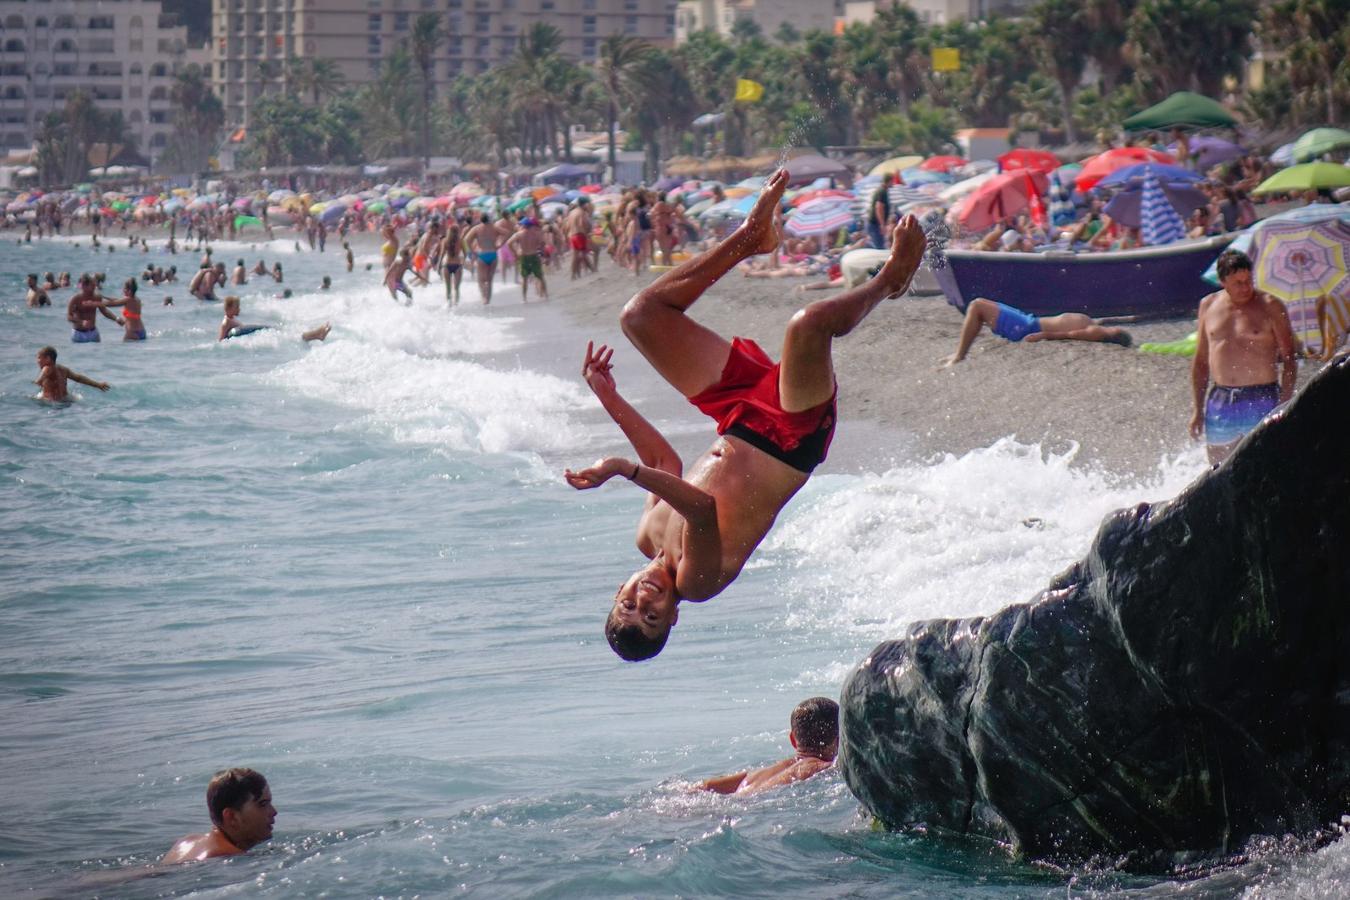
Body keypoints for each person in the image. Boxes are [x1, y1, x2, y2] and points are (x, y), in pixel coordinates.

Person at [564, 170, 925, 661]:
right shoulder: (698, 580)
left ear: (617, 591)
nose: (645, 599)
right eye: (651, 616)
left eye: (628, 604)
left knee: (640, 316)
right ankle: (891, 280)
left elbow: (664, 462)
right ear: (673, 618)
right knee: (810, 324)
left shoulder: (646, 537)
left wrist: (608, 396)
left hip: (735, 416)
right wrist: (622, 471)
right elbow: (700, 508)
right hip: (789, 438)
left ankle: (751, 238)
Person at [1190, 249, 1297, 466]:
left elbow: (1289, 359)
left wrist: (1285, 402)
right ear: (1222, 282)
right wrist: (1197, 410)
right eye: (1238, 282)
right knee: (1219, 469)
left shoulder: (1270, 306)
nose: (1245, 287)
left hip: (1262, 396)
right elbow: (1201, 361)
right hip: (1221, 399)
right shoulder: (1208, 306)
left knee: (1266, 463)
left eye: (1248, 280)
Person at [698, 698, 839, 795]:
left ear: (793, 740)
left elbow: (707, 786)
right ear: (839, 741)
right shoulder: (824, 768)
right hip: (751, 808)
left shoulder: (754, 775)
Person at [944, 298, 1134, 365]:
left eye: (1117, 329)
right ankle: (960, 353)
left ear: (1114, 335)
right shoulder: (1095, 327)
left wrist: (1043, 336)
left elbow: (1070, 335)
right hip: (1029, 321)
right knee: (979, 308)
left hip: (1028, 327)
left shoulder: (1098, 333)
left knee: (977, 306)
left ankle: (959, 355)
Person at [161, 768, 276, 864]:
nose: (274, 811)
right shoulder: (224, 857)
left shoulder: (187, 842)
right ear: (231, 816)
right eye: (263, 804)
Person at [219, 295, 330, 342]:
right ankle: (317, 334)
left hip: (256, 334)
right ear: (228, 308)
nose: (239, 309)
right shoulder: (226, 322)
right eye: (237, 307)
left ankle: (316, 335)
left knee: (287, 335)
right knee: (289, 337)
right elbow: (221, 340)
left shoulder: (231, 320)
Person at [33, 346, 110, 402]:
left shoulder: (47, 368)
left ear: (48, 359)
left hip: (53, 403)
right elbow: (79, 378)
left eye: (39, 358)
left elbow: (38, 382)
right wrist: (98, 385)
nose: (38, 361)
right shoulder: (63, 369)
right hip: (67, 400)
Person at [67, 274, 122, 342]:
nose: (94, 288)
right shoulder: (75, 299)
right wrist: (81, 322)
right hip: (79, 333)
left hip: (93, 332)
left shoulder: (96, 297)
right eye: (92, 286)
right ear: (84, 286)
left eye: (94, 286)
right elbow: (69, 317)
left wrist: (116, 318)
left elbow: (104, 311)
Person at [509, 217, 549, 302]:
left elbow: (509, 243)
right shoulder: (536, 234)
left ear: (524, 225)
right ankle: (546, 296)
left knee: (524, 278)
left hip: (524, 256)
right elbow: (542, 243)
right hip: (534, 255)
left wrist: (515, 252)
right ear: (531, 226)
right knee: (540, 277)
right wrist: (540, 250)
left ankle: (524, 299)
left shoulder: (519, 234)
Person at [463, 213, 498, 304]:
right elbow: (506, 233)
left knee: (481, 280)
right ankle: (488, 299)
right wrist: (500, 244)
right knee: (489, 280)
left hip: (482, 253)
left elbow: (466, 239)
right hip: (493, 253)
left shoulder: (477, 228)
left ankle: (484, 298)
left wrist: (473, 251)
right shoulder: (493, 227)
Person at [437, 220, 463, 304]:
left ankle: (449, 305)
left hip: (446, 265)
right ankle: (456, 304)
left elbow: (441, 254)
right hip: (458, 265)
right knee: (456, 288)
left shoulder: (445, 241)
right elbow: (466, 253)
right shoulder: (460, 241)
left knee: (448, 288)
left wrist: (438, 266)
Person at [869, 174, 893, 250]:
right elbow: (879, 207)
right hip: (875, 225)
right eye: (892, 182)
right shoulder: (882, 191)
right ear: (889, 181)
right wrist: (882, 224)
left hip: (875, 224)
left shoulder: (882, 191)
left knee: (880, 246)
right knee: (879, 248)